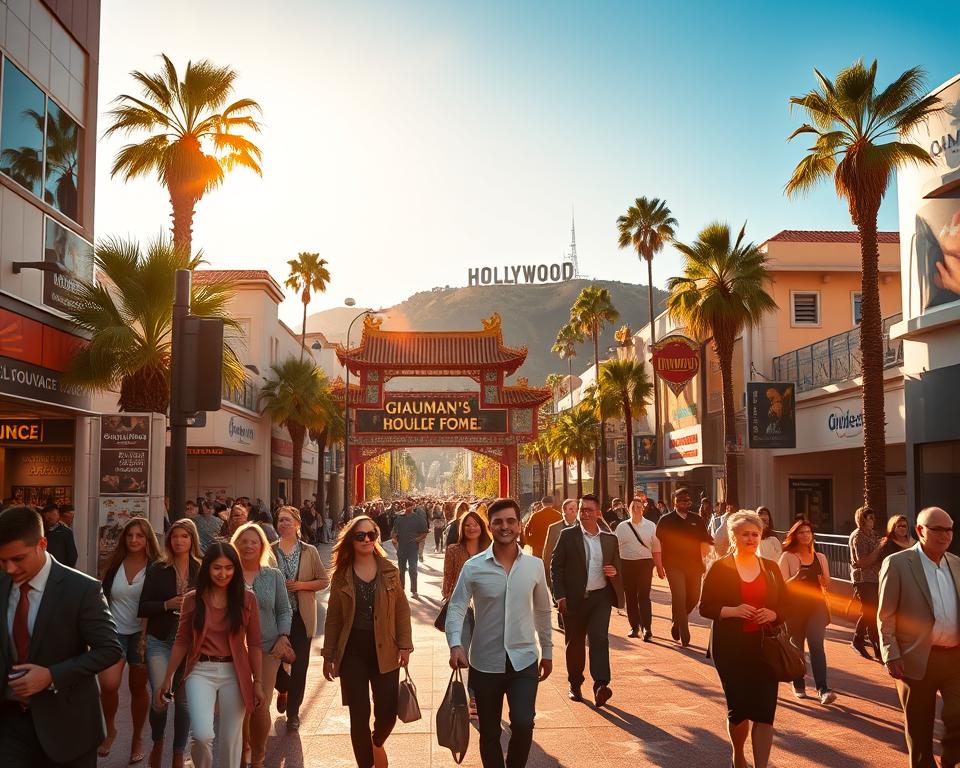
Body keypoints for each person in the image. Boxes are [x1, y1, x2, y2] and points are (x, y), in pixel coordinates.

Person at [0, 505, 122, 768]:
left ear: (42, 544)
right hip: (9, 727)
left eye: (18, 559)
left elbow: (110, 649)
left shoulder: (82, 589)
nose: (9, 568)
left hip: (69, 730)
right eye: (2, 560)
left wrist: (51, 676)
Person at [446, 498, 552, 768]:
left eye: (510, 521)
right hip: (485, 662)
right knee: (490, 732)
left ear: (519, 525)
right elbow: (457, 607)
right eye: (498, 522)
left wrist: (548, 652)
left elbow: (542, 611)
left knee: (523, 723)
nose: (505, 527)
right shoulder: (474, 567)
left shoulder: (534, 566)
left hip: (524, 659)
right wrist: (455, 644)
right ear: (490, 527)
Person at [156, 543, 264, 768]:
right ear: (207, 569)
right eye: (217, 568)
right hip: (200, 671)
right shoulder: (193, 599)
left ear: (236, 569)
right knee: (202, 735)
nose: (223, 574)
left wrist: (259, 682)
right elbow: (182, 640)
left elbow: (254, 643)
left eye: (228, 568)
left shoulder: (248, 599)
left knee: (230, 740)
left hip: (235, 672)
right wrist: (167, 678)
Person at [322, 516, 413, 768]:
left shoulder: (389, 570)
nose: (366, 540)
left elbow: (402, 610)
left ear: (376, 538)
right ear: (351, 540)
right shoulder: (341, 574)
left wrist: (405, 645)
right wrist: (328, 655)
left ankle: (376, 742)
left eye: (371, 535)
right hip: (352, 652)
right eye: (360, 535)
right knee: (358, 715)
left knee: (387, 714)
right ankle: (365, 764)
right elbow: (333, 618)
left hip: (386, 650)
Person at [699, 510, 788, 768]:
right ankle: (738, 755)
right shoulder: (720, 567)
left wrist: (773, 613)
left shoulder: (770, 568)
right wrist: (733, 610)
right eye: (745, 534)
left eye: (755, 534)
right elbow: (706, 607)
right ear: (733, 536)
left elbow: (788, 604)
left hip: (765, 648)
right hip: (731, 650)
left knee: (765, 711)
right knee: (739, 710)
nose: (751, 539)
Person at [879, 506, 960, 768]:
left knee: (957, 717)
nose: (946, 535)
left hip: (954, 658)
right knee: (920, 728)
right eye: (938, 529)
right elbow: (885, 615)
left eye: (949, 529)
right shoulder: (899, 563)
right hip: (914, 659)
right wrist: (891, 653)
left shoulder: (957, 564)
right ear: (920, 530)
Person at [138, 519, 202, 768]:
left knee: (185, 701)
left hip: (191, 642)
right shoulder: (158, 568)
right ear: (169, 540)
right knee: (159, 697)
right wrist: (168, 604)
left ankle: (177, 752)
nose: (179, 541)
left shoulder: (201, 568)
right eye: (175, 536)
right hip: (160, 640)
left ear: (192, 539)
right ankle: (157, 741)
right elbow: (143, 606)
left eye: (184, 536)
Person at [98, 517, 161, 762]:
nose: (134, 540)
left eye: (140, 535)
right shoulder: (114, 565)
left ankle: (137, 737)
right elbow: (103, 599)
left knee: (138, 688)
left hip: (142, 634)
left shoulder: (156, 567)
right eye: (130, 535)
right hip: (114, 631)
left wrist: (147, 636)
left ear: (148, 540)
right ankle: (110, 727)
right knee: (108, 684)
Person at [551, 494, 622, 706]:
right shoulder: (567, 535)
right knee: (575, 643)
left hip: (600, 597)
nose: (584, 514)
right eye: (582, 510)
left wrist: (614, 571)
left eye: (589, 510)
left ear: (598, 514)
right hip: (574, 598)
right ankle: (575, 683)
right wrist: (559, 595)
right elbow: (556, 567)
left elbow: (618, 567)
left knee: (599, 637)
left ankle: (601, 684)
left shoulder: (610, 539)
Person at [231, 523, 292, 768]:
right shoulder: (227, 574)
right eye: (243, 541)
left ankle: (258, 756)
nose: (248, 546)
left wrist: (283, 636)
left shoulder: (273, 575)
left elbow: (284, 610)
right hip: (235, 649)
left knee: (260, 704)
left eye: (253, 541)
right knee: (239, 705)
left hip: (269, 648)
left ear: (262, 546)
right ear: (235, 545)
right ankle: (243, 749)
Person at [272, 506, 329, 731]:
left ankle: (293, 713)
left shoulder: (309, 551)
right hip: (275, 617)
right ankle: (282, 688)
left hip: (301, 616)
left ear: (297, 524)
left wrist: (301, 586)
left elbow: (323, 580)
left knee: (300, 664)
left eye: (287, 520)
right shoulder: (269, 551)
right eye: (280, 520)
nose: (283, 524)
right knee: (275, 661)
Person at [778, 520, 837, 705]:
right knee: (797, 645)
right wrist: (796, 579)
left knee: (816, 643)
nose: (805, 535)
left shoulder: (820, 557)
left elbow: (827, 583)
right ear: (795, 535)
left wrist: (822, 579)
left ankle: (823, 688)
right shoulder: (787, 557)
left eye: (808, 532)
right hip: (794, 608)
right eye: (801, 532)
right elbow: (780, 587)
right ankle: (798, 682)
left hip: (817, 606)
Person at [442, 508, 492, 714]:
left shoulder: (491, 549)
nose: (472, 528)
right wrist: (448, 596)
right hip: (462, 607)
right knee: (464, 651)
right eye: (468, 525)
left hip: (485, 607)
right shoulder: (454, 549)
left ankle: (475, 695)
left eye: (476, 524)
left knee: (479, 653)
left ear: (482, 527)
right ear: (462, 528)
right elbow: (448, 576)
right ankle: (473, 694)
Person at [656, 486, 713, 647]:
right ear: (674, 502)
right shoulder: (665, 520)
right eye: (680, 500)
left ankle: (677, 621)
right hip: (673, 565)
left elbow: (704, 541)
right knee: (680, 596)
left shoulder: (697, 519)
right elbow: (658, 544)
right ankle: (684, 630)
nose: (683, 503)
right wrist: (659, 566)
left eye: (686, 500)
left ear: (690, 502)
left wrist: (706, 559)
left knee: (694, 597)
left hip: (694, 565)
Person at [615, 496, 665, 641]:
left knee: (643, 596)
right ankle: (634, 627)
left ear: (643, 509)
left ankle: (647, 628)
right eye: (633, 507)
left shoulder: (650, 526)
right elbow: (614, 548)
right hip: (627, 564)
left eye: (639, 507)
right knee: (630, 597)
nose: (636, 510)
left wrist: (660, 568)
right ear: (628, 510)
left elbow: (656, 548)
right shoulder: (622, 527)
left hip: (645, 564)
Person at [848, 505, 882, 660]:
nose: (872, 520)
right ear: (861, 518)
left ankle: (858, 639)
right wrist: (877, 552)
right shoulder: (858, 536)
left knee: (870, 610)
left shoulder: (874, 534)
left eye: (873, 517)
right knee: (870, 611)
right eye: (868, 517)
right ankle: (874, 644)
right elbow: (861, 562)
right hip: (863, 579)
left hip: (876, 577)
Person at [390, 503, 428, 596]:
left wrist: (417, 539)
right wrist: (394, 540)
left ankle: (414, 590)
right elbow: (394, 532)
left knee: (413, 569)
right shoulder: (399, 519)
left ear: (413, 506)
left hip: (413, 548)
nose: (408, 507)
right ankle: (401, 589)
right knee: (401, 570)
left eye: (410, 505)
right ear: (404, 506)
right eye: (406, 505)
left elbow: (424, 533)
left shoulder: (419, 519)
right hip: (402, 548)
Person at [40, 503, 77, 568]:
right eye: (47, 518)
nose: (48, 519)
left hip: (60, 570)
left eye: (50, 517)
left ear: (58, 515)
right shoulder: (41, 532)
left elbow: (72, 557)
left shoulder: (66, 532)